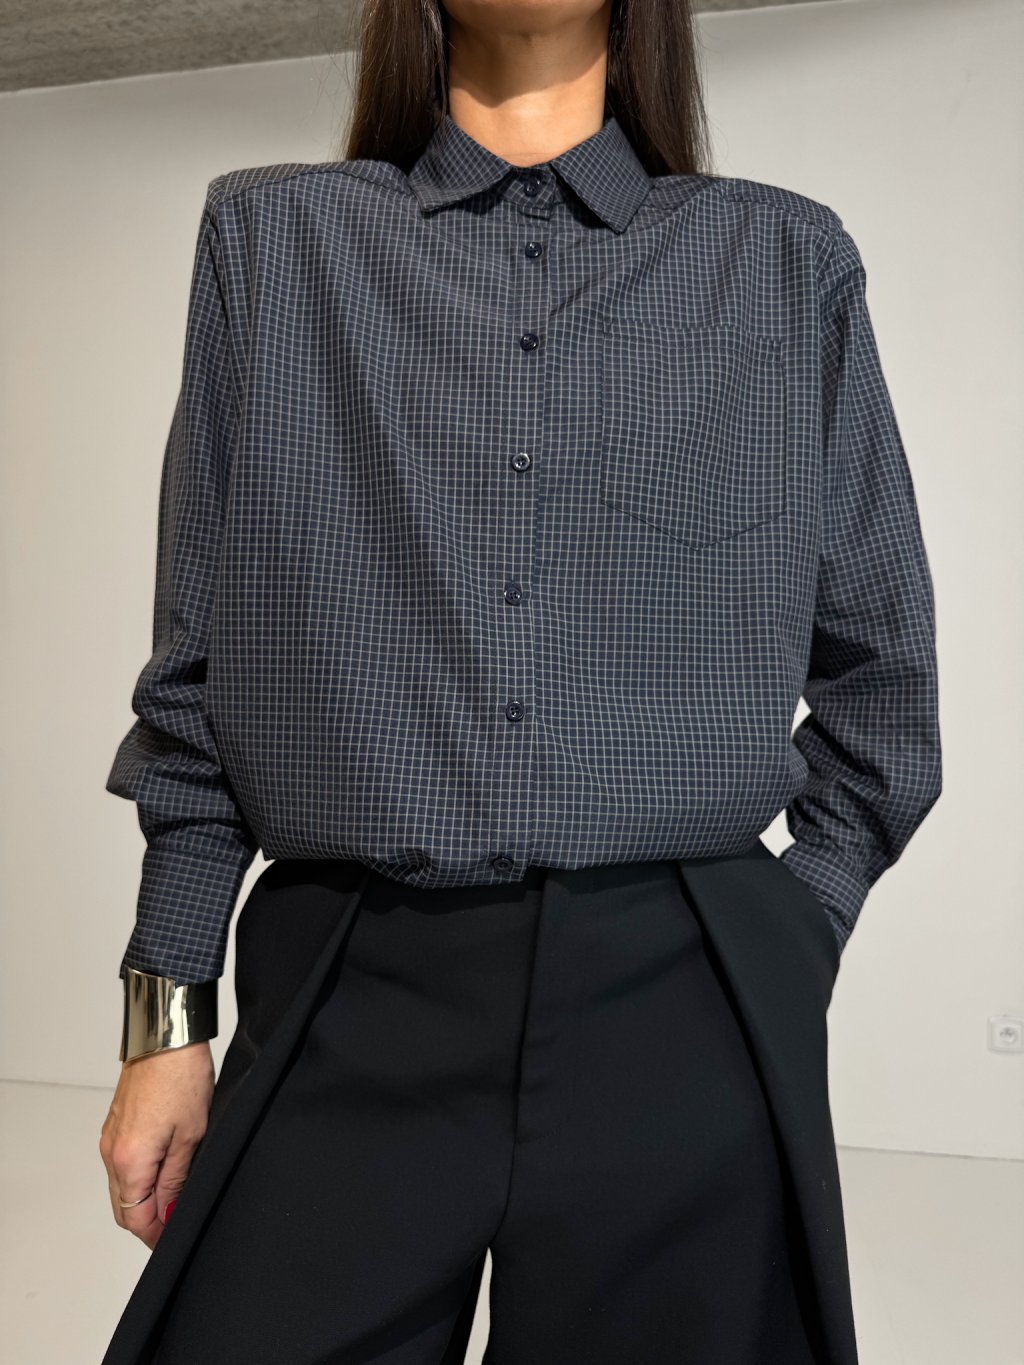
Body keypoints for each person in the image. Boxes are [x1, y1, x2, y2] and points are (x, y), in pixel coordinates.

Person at [97, 0, 942, 1361]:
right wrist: (165, 1016)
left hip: (683, 988)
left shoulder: (783, 260)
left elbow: (884, 675)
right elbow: (195, 675)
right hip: (351, 970)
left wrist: (791, 937)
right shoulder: (275, 241)